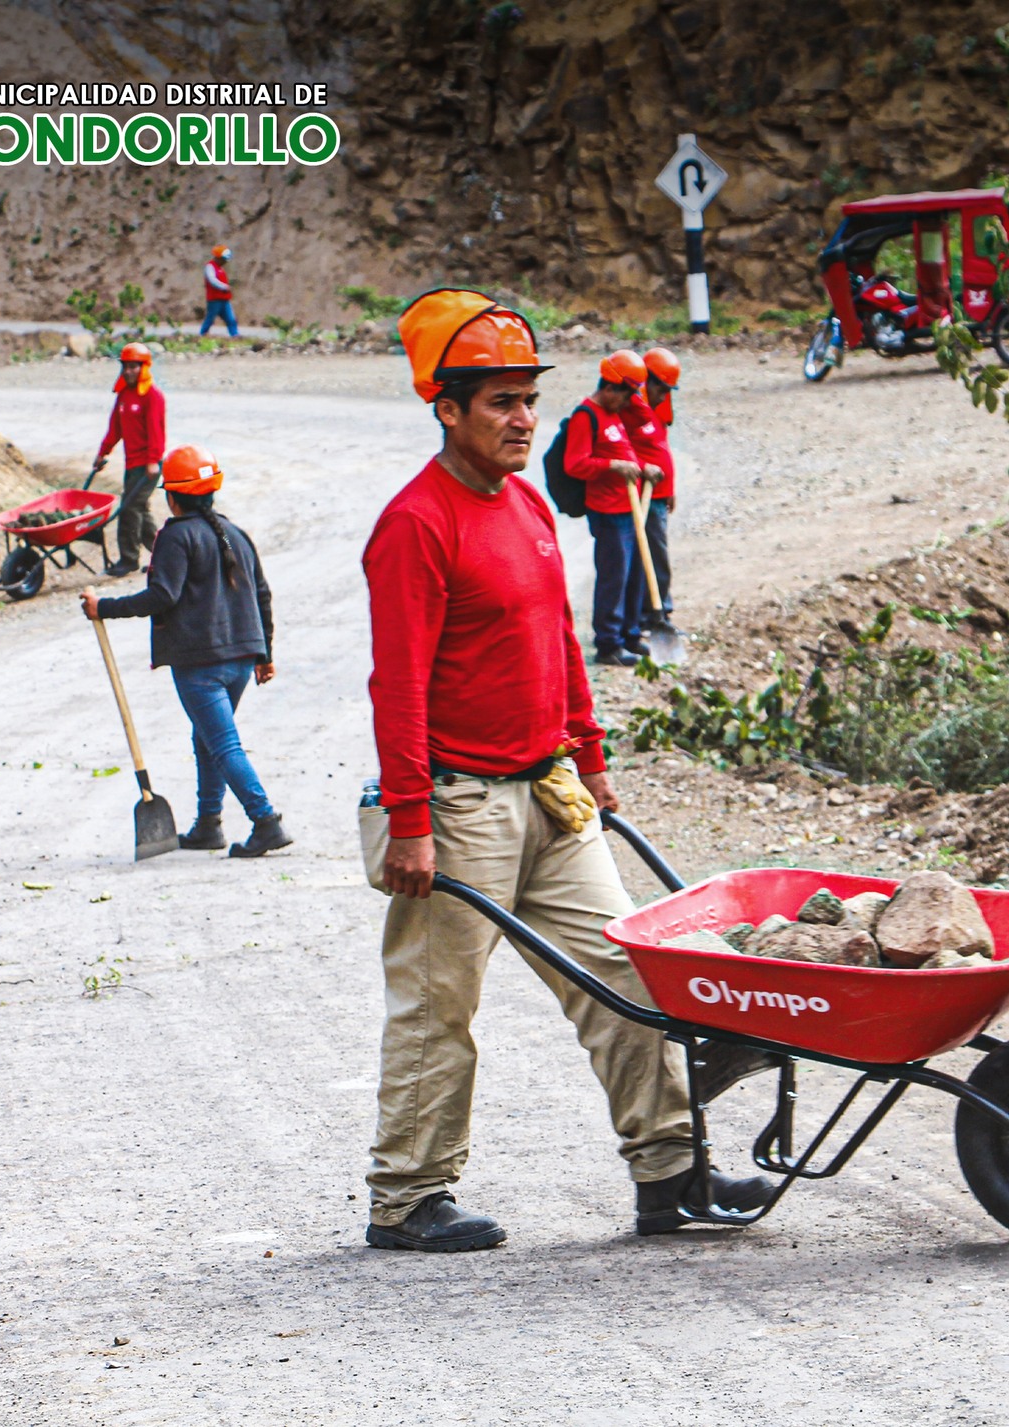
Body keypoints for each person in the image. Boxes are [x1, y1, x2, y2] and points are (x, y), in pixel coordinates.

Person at [359, 289, 771, 1251]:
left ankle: (672, 1174)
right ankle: (408, 1196)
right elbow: (398, 688)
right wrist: (411, 819)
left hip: (551, 790)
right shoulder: (417, 524)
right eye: (498, 401)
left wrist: (591, 758)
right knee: (438, 1003)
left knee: (625, 972)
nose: (521, 419)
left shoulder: (530, 504)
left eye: (527, 400)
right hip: (460, 806)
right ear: (446, 409)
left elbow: (559, 642)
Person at [80, 445, 290, 859]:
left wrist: (103, 607)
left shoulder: (176, 536)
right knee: (207, 738)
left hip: (201, 663)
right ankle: (208, 825)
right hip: (241, 660)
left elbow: (162, 596)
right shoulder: (235, 533)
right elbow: (261, 593)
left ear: (172, 496)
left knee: (223, 743)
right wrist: (264, 653)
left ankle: (266, 821)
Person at [564, 349, 650, 665]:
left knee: (634, 574)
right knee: (614, 576)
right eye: (626, 394)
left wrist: (642, 467)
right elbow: (575, 464)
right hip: (608, 512)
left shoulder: (614, 413)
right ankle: (609, 644)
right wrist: (614, 466)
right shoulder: (585, 416)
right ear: (610, 388)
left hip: (629, 507)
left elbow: (630, 440)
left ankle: (630, 634)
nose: (630, 402)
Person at [90, 342, 166, 577]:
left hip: (148, 465)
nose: (129, 371)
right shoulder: (124, 395)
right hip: (132, 464)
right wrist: (103, 453)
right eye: (126, 367)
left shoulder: (152, 396)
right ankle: (163, 556)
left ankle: (129, 559)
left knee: (129, 509)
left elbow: (156, 431)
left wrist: (153, 460)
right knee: (139, 509)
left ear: (144, 367)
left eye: (134, 367)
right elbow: (115, 428)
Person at [631, 346, 681, 632]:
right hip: (644, 496)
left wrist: (670, 488)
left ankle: (661, 610)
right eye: (661, 388)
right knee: (650, 556)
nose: (665, 394)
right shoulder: (632, 410)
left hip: (660, 496)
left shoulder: (658, 409)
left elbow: (661, 447)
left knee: (657, 554)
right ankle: (652, 613)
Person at [199, 245, 238, 337]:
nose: (225, 262)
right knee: (210, 318)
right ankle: (202, 334)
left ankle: (235, 335)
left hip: (224, 299)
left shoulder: (220, 268)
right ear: (218, 257)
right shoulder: (210, 267)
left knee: (231, 319)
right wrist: (224, 287)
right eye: (224, 259)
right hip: (214, 299)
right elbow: (212, 280)